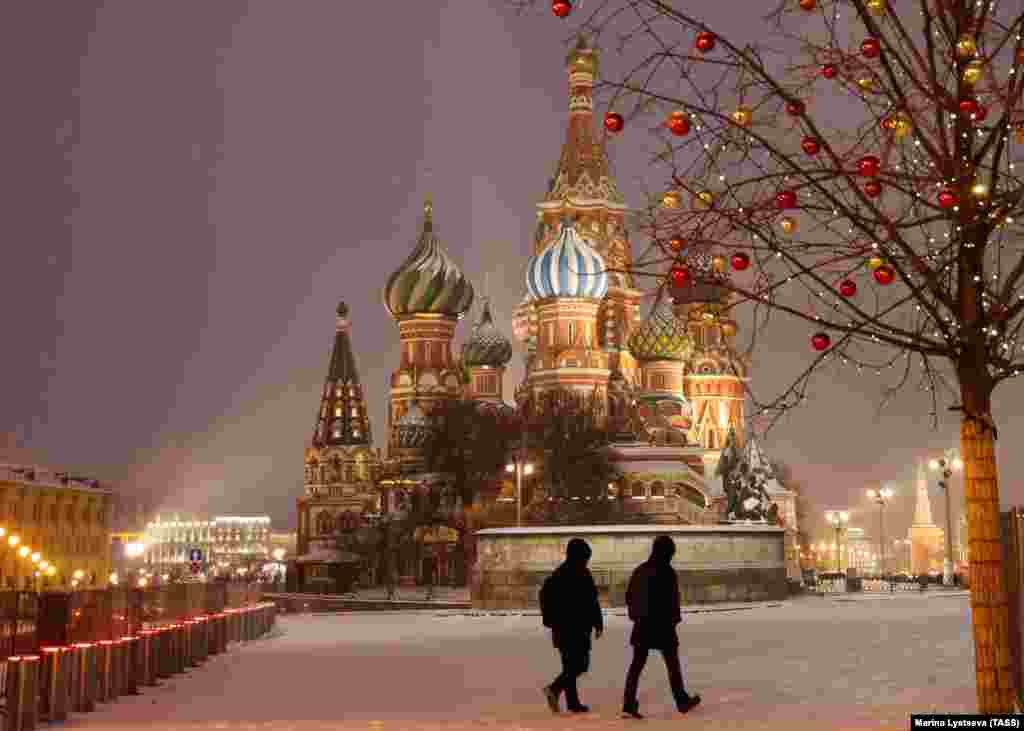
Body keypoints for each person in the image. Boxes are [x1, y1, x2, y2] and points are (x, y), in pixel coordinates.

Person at [622, 535, 701, 719]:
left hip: (642, 625)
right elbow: (672, 600)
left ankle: (628, 703)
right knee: (673, 665)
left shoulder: (640, 570)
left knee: (636, 666)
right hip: (663, 626)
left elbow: (629, 596)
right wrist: (674, 619)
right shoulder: (667, 572)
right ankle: (681, 700)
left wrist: (635, 615)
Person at [539, 537, 603, 714]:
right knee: (579, 665)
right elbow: (592, 601)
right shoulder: (572, 574)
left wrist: (597, 623)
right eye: (585, 557)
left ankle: (572, 702)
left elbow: (592, 601)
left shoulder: (563, 573)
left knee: (571, 666)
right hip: (573, 628)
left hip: (567, 629)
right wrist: (597, 622)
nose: (586, 560)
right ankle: (554, 689)